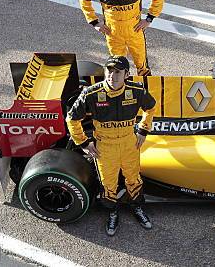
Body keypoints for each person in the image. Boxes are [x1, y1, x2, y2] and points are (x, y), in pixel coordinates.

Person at [66, 55, 157, 236]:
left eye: (118, 72)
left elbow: (151, 108)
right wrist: (83, 142)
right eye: (109, 70)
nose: (112, 76)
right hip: (105, 147)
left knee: (134, 179)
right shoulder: (91, 93)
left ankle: (137, 207)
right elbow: (71, 118)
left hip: (129, 143)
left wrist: (143, 130)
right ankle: (113, 212)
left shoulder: (137, 90)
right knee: (109, 184)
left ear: (126, 74)